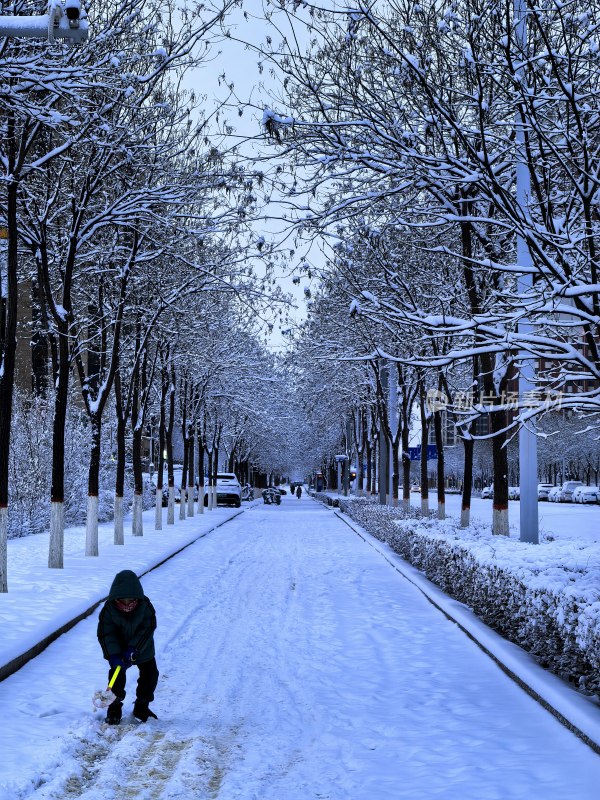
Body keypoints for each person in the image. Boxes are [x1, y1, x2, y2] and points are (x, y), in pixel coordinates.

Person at [97, 569, 159, 725]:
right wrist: (114, 655)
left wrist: (134, 648)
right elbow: (106, 634)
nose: (126, 605)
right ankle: (114, 708)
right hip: (118, 649)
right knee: (116, 677)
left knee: (150, 675)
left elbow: (147, 629)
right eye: (122, 601)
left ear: (137, 598)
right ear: (115, 598)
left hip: (142, 648)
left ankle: (142, 706)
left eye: (130, 601)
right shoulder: (109, 610)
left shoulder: (146, 607)